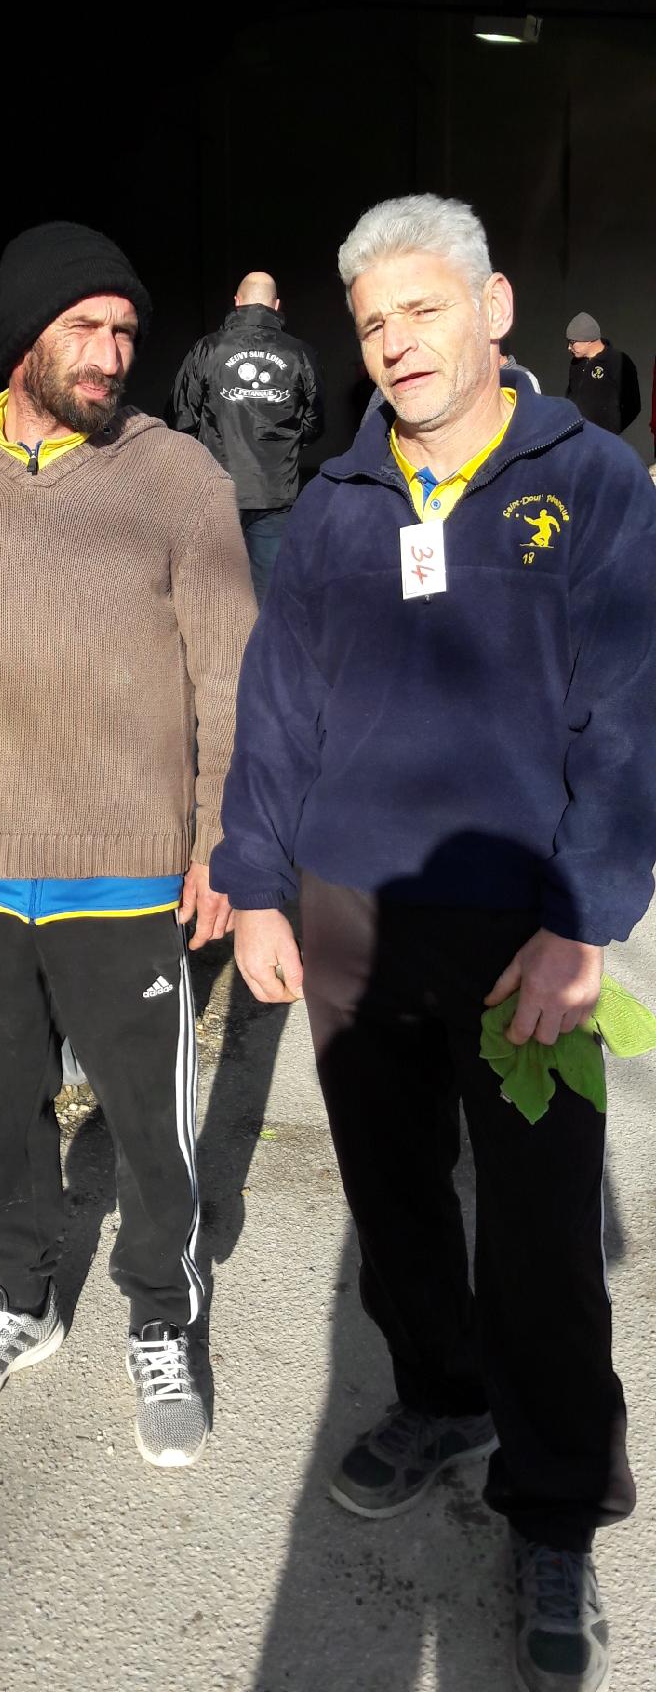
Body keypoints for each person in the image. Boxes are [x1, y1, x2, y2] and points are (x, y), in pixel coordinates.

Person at [211, 194, 656, 1692]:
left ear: (494, 307)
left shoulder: (589, 482)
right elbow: (280, 698)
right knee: (395, 1197)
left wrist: (584, 922)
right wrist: (254, 882)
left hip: (523, 925)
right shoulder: (340, 497)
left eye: (422, 309)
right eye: (373, 322)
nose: (397, 343)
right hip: (350, 913)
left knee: (541, 1227)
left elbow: (629, 716)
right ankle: (443, 1393)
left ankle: (557, 1502)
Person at [0, 221, 256, 1468]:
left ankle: (161, 1318)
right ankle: (21, 1297)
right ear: (23, 341)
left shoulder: (178, 478)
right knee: (1, 1106)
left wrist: (221, 840)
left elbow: (228, 675)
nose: (111, 354)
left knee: (148, 1119)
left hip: (126, 868)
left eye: (125, 331)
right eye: (84, 328)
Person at [170, 271, 323, 602]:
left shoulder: (207, 349)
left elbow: (182, 418)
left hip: (218, 490)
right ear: (277, 306)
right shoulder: (300, 353)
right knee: (269, 593)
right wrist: (286, 444)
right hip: (276, 491)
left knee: (216, 591)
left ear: (237, 302)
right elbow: (315, 422)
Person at [565, 312, 640, 434]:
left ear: (588, 340)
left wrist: (610, 432)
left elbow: (633, 405)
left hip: (602, 438)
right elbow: (571, 396)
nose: (569, 347)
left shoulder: (618, 361)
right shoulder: (576, 363)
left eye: (572, 342)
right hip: (577, 436)